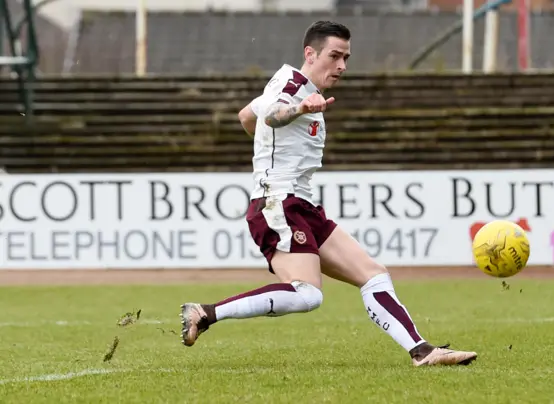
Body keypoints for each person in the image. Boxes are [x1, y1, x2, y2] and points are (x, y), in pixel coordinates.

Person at [180, 20, 478, 367]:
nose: (342, 66)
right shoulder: (293, 87)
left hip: (301, 204)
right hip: (278, 204)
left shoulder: (290, 84)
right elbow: (274, 115)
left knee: (373, 274)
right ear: (310, 53)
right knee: (307, 294)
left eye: (346, 58)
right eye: (335, 56)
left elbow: (248, 116)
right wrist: (299, 110)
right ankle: (204, 313)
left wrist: (267, 145)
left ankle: (422, 352)